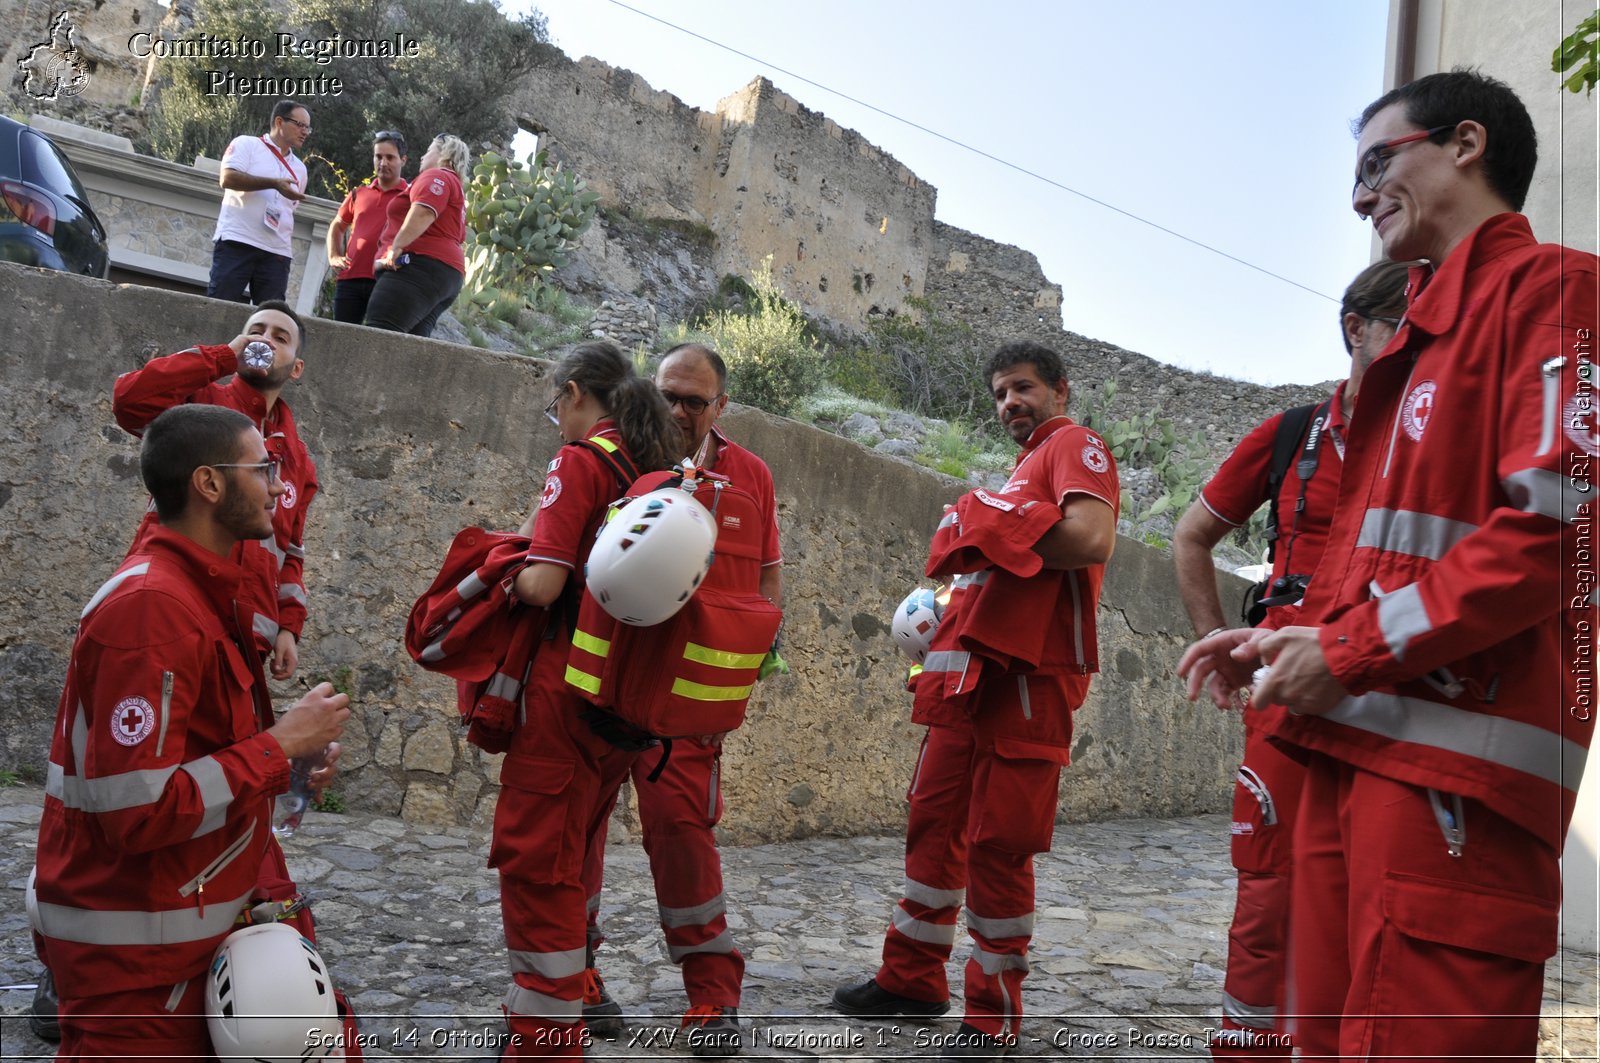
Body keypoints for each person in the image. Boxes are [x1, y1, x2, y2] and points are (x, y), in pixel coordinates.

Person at [1179, 69, 1598, 1060]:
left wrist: (1349, 649)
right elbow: (1398, 562)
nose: (1359, 196)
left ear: (1464, 144)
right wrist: (1297, 643)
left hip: (1450, 786)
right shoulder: (1417, 348)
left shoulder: (1557, 290)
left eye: (1377, 162)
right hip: (1349, 759)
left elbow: (1560, 526)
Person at [30, 403, 351, 1059]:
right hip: (137, 962)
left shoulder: (203, 587)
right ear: (208, 483)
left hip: (185, 927)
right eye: (261, 467)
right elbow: (138, 810)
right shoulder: (152, 608)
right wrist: (280, 742)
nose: (275, 484)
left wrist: (289, 765)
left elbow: (198, 753)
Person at [833, 341, 1120, 1058]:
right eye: (998, 393)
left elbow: (1090, 537)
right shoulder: (1022, 471)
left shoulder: (1075, 445)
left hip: (1030, 682)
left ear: (1059, 389)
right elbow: (1009, 566)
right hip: (972, 681)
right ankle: (912, 978)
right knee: (933, 822)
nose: (1008, 404)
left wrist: (984, 523)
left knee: (998, 844)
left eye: (1022, 388)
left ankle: (993, 1015)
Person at [1170, 259, 1410, 1060]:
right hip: (1284, 698)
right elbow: (1191, 534)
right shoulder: (1293, 434)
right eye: (1407, 328)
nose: (1424, 348)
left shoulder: (1428, 433)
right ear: (1358, 329)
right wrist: (1222, 641)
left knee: (1373, 897)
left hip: (1387, 692)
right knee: (1269, 888)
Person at [579, 343, 782, 1054]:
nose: (677, 409)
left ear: (721, 406)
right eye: (667, 392)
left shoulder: (751, 476)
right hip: (609, 684)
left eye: (695, 400)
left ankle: (712, 995)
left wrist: (753, 658)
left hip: (688, 702)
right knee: (580, 830)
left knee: (682, 832)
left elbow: (768, 580)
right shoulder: (620, 457)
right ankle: (577, 975)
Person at [492, 341, 681, 1058]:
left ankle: (544, 1044)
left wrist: (500, 571)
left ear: (574, 394)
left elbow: (543, 584)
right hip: (619, 705)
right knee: (572, 859)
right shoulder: (650, 468)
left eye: (555, 408)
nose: (556, 423)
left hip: (564, 696)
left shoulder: (580, 460)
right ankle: (559, 1017)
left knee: (539, 864)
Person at [113, 300, 318, 680]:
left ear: (297, 368)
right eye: (256, 331)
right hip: (169, 612)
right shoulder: (200, 404)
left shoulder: (299, 459)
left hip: (246, 640)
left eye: (280, 337)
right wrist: (223, 356)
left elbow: (291, 549)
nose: (265, 340)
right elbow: (129, 402)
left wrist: (288, 626)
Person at [365, 133, 470, 338]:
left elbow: (424, 212)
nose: (422, 157)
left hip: (419, 266)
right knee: (410, 345)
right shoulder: (455, 185)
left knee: (377, 337)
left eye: (428, 151)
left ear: (443, 153)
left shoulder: (438, 176)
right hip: (446, 275)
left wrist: (395, 247)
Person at [209, 100, 310, 304]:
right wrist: (273, 184)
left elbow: (289, 207)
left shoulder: (301, 169)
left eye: (308, 127)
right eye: (300, 125)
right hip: (238, 241)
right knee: (219, 306)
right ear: (279, 122)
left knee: (272, 317)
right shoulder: (247, 144)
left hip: (277, 251)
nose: (305, 131)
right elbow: (227, 179)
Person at [327, 130, 410, 324]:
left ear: (403, 160)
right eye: (378, 156)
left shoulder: (411, 197)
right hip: (349, 279)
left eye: (390, 157)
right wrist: (333, 256)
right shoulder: (358, 193)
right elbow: (338, 225)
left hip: (387, 280)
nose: (383, 163)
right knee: (342, 338)